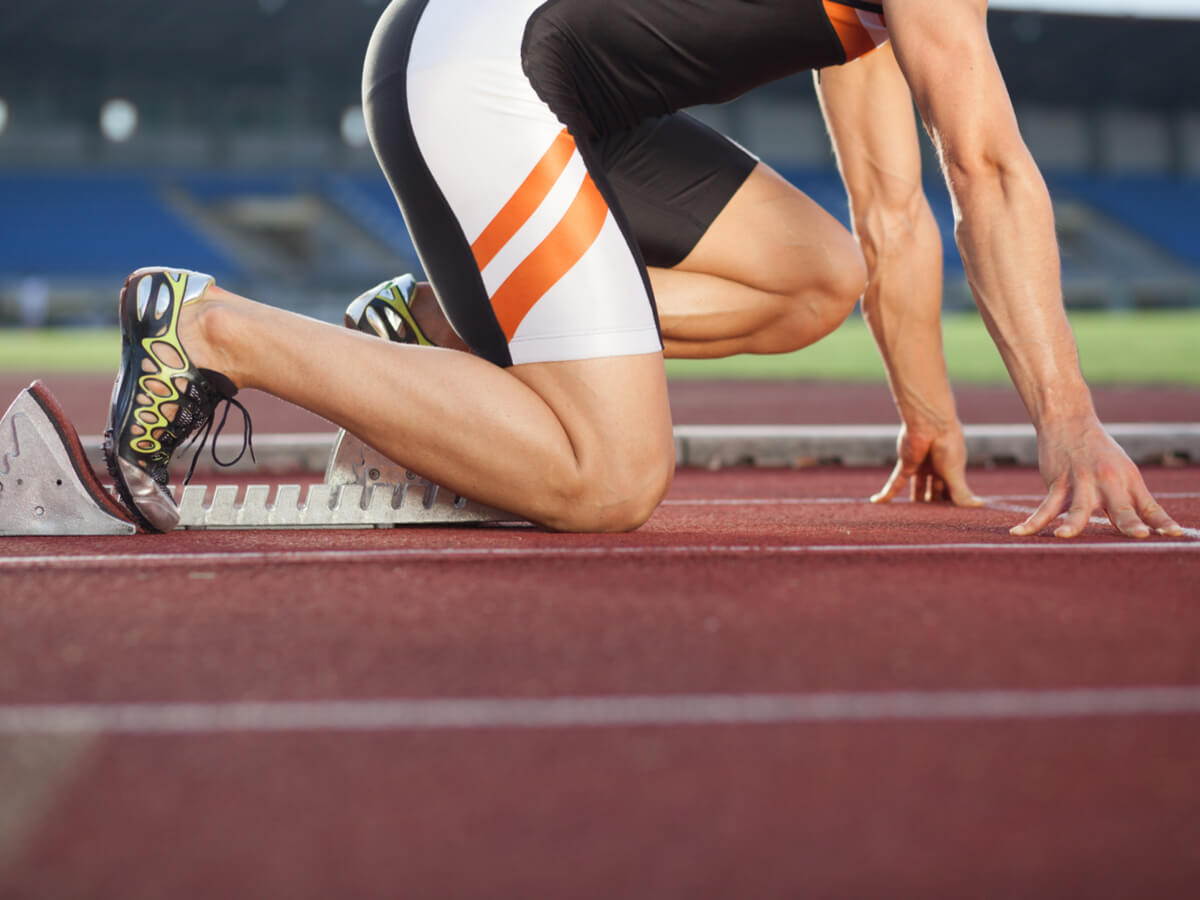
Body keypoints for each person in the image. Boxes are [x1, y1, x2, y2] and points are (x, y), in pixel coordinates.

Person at [104, 0, 1182, 541]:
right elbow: (984, 167)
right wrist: (1069, 416)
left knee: (816, 274)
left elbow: (890, 208)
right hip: (489, 69)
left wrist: (930, 419)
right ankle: (213, 329)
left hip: (564, 92)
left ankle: (437, 328)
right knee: (610, 476)